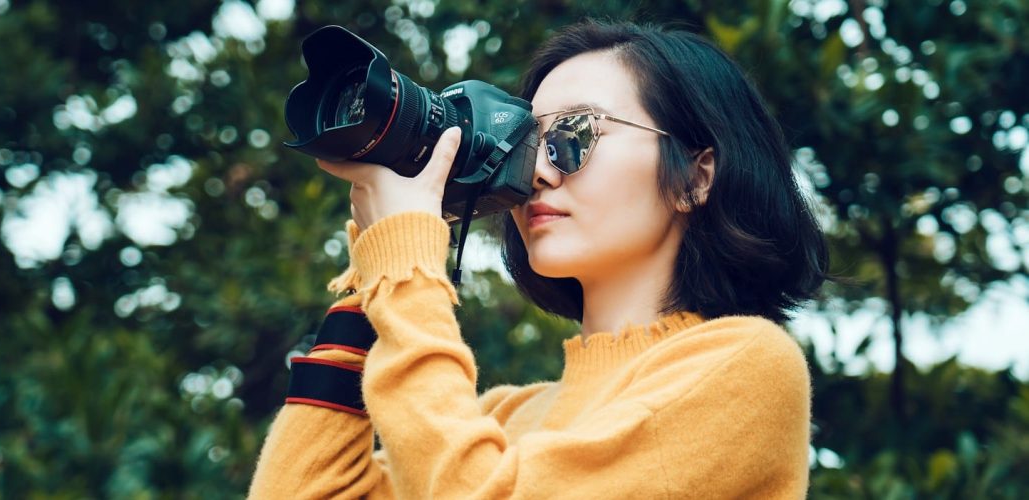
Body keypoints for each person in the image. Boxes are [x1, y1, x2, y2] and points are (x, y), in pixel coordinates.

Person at [249, 18, 829, 499]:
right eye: (526, 143)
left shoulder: (746, 368)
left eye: (574, 136)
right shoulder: (501, 421)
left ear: (696, 176)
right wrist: (373, 281)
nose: (538, 173)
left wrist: (409, 275)